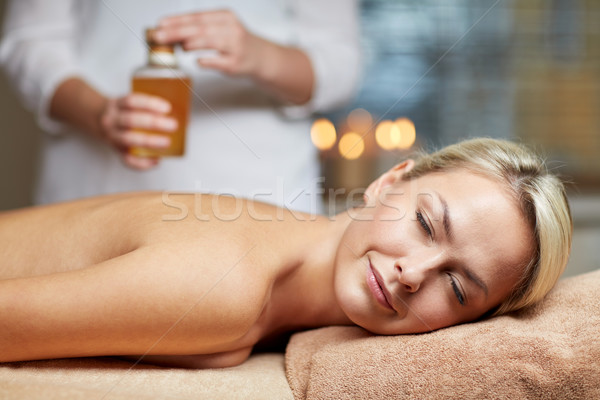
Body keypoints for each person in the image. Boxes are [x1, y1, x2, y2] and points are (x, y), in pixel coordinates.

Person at [0, 138, 572, 368]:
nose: (412, 274)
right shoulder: (224, 286)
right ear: (388, 181)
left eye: (456, 287)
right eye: (425, 223)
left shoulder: (284, 245)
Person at [0, 1, 360, 213]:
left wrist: (261, 55)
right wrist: (98, 113)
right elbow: (29, 41)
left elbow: (340, 67)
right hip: (92, 190)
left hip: (258, 195)